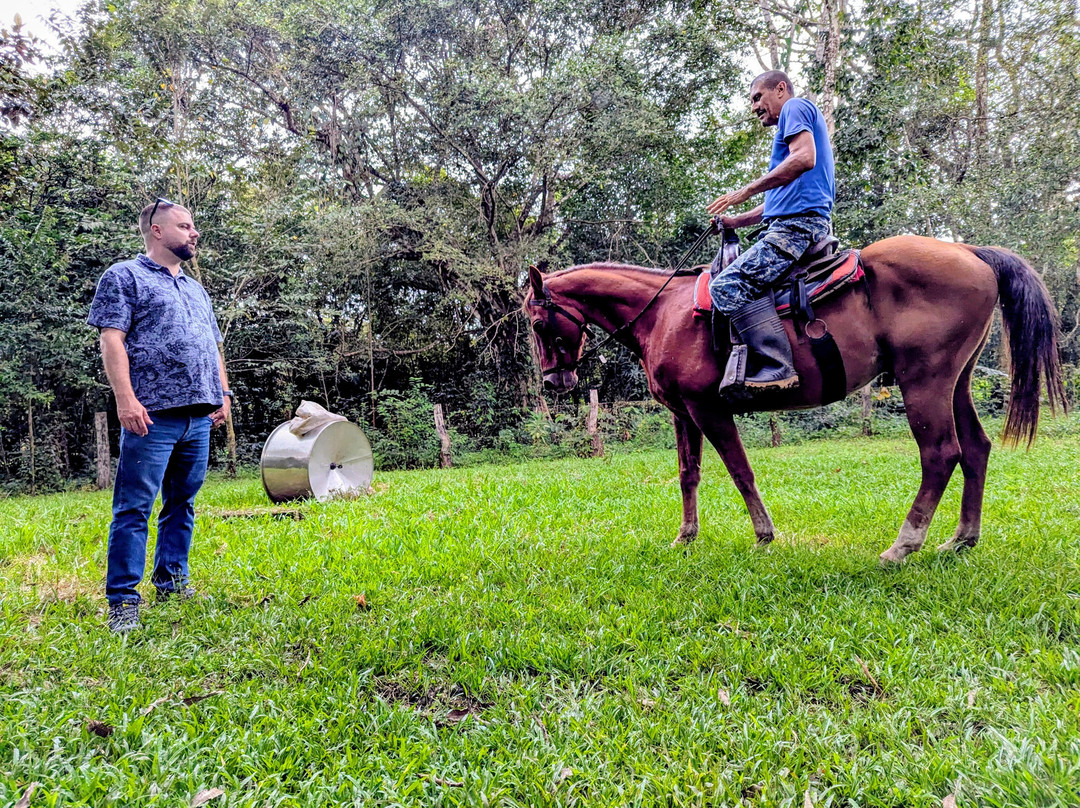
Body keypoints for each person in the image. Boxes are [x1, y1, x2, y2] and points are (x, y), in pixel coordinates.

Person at [88, 198, 233, 633]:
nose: (194, 233)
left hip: (200, 418)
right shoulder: (123, 276)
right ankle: (123, 602)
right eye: (186, 226)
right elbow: (112, 340)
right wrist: (125, 398)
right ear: (156, 230)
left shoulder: (195, 287)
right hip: (151, 417)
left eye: (194, 227)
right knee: (133, 508)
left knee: (181, 504)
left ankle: (172, 582)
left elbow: (212, 345)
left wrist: (222, 393)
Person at [706, 70, 836, 391]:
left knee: (725, 286)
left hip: (796, 228)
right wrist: (734, 221)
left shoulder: (794, 108)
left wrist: (745, 190)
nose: (754, 107)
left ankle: (777, 365)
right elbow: (776, 204)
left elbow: (805, 158)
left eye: (757, 97)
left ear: (780, 89)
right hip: (791, 222)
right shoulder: (787, 135)